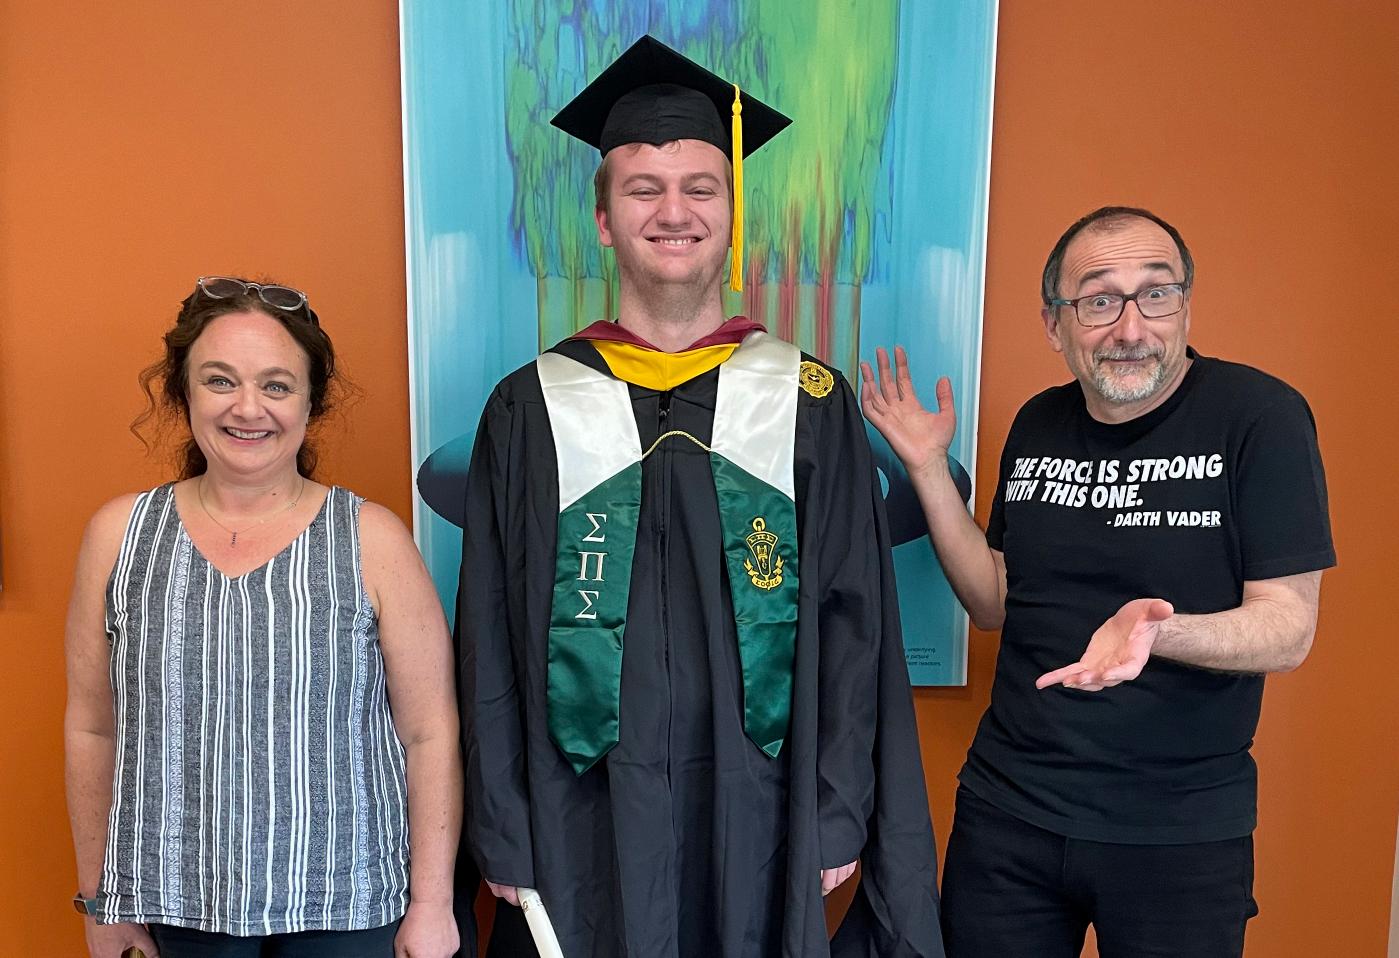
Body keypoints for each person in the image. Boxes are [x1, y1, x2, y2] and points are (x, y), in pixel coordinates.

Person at [456, 35, 944, 958]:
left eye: (699, 188)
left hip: (762, 806)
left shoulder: (807, 401)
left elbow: (855, 623)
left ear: (729, 212)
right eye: (643, 189)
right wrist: (502, 819)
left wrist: (836, 806)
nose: (673, 211)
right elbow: (486, 629)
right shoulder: (529, 407)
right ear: (603, 219)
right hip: (576, 809)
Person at [861, 206, 1335, 957]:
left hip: (1177, 833)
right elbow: (993, 602)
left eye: (1156, 294)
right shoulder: (1039, 422)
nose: (1130, 327)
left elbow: (1288, 628)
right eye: (1098, 300)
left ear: (1184, 306)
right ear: (1055, 325)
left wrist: (1157, 633)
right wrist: (925, 468)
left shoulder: (1258, 416)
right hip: (1008, 815)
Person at [64, 277, 462, 958]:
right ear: (184, 392)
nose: (248, 408)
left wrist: (432, 905)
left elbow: (429, 733)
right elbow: (92, 728)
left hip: (349, 910)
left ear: (311, 401)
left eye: (276, 385)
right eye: (220, 380)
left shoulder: (372, 539)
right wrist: (100, 901)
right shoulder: (119, 535)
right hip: (173, 909)